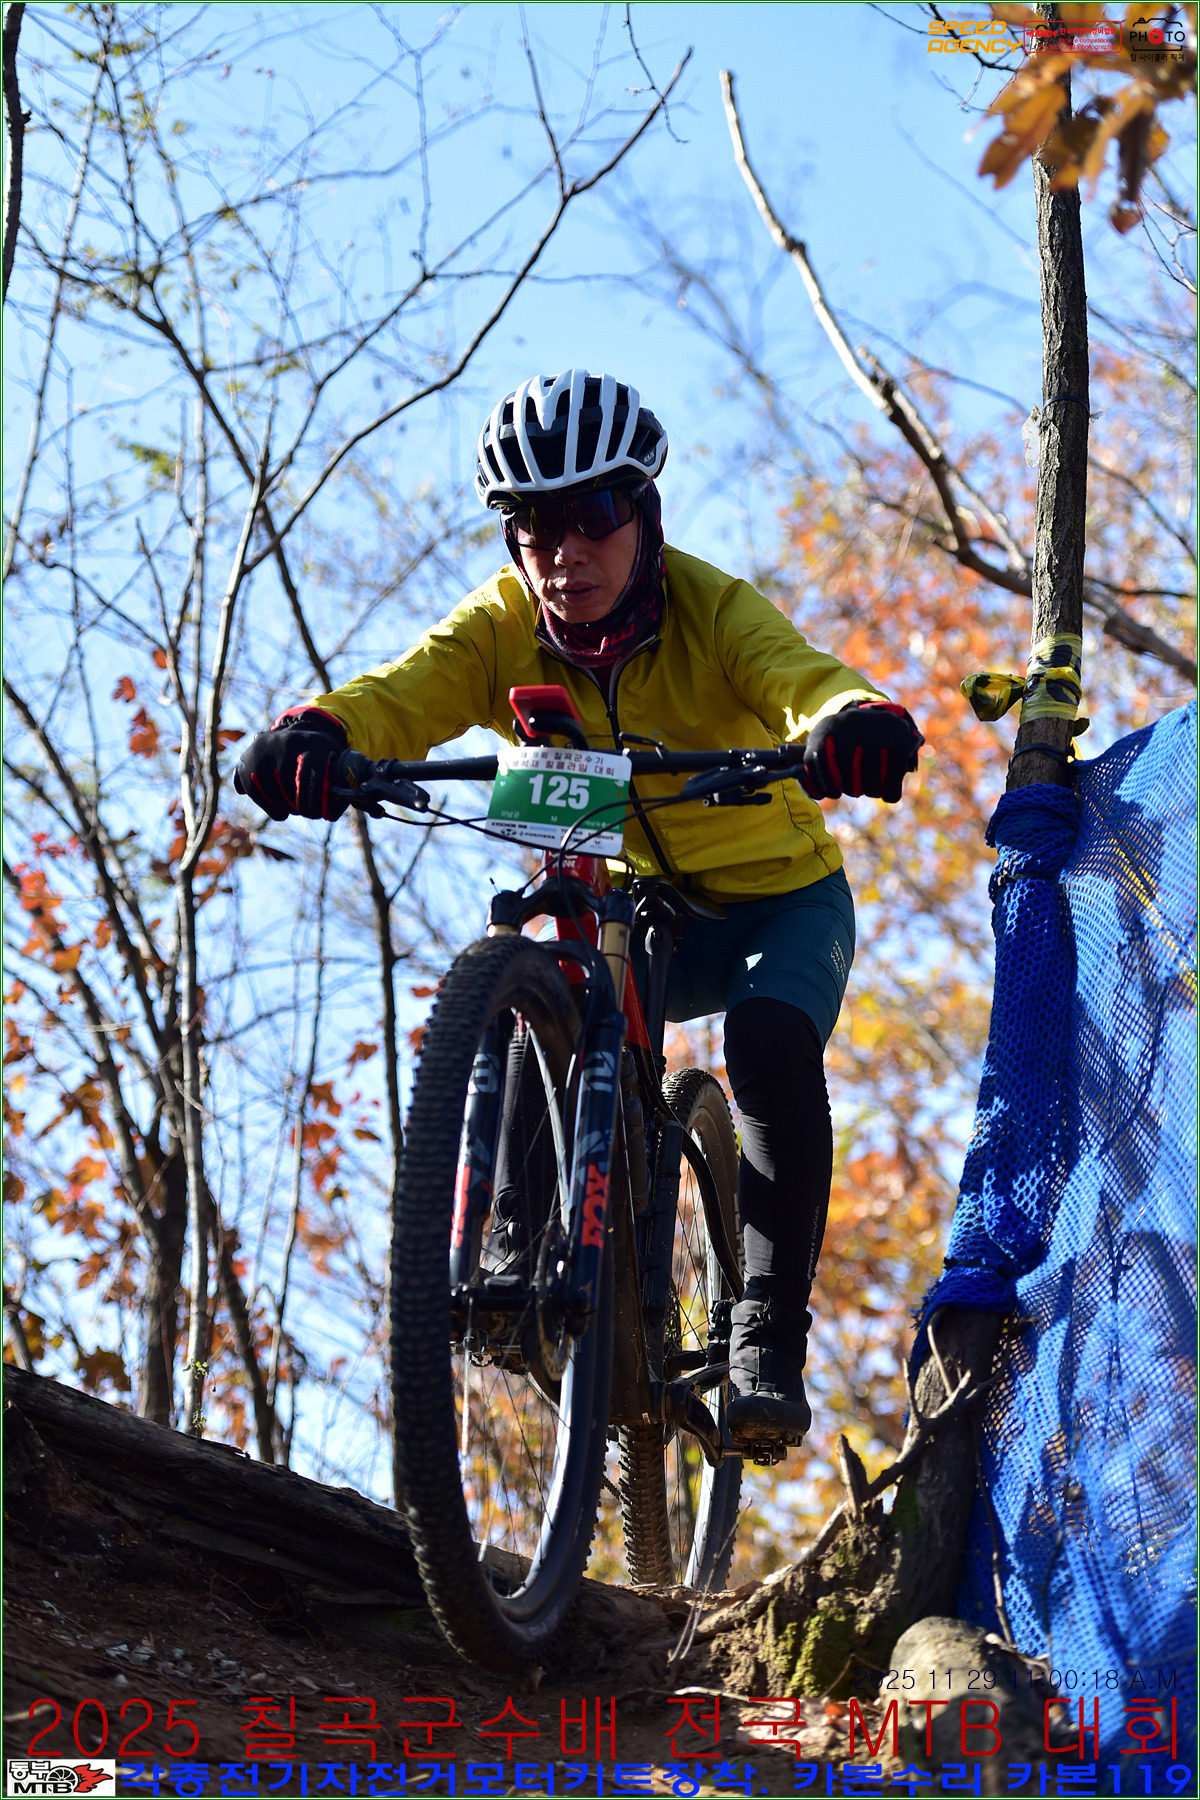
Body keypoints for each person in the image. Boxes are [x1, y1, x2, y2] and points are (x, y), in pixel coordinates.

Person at [236, 368, 922, 1450]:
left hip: (776, 904)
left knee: (766, 1045)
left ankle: (765, 1334)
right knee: (547, 987)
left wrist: (852, 720)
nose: (566, 552)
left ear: (644, 513)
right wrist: (315, 733)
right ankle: (516, 1243)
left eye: (594, 515)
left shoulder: (711, 609)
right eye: (536, 526)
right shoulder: (502, 627)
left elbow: (800, 676)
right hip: (640, 909)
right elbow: (400, 692)